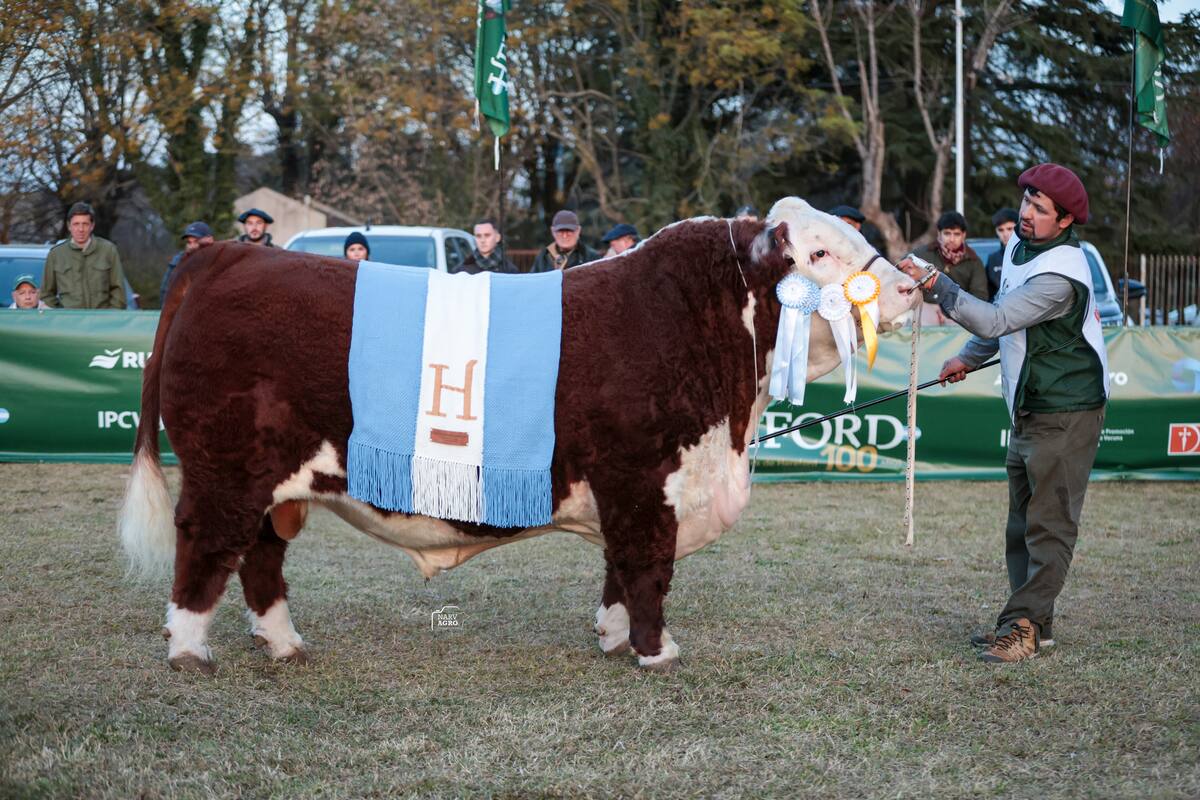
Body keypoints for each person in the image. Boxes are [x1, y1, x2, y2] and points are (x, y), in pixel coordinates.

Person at [896, 163, 1108, 664]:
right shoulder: (1019, 248)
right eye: (1027, 202)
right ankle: (1031, 624)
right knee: (1022, 527)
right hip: (1029, 406)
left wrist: (935, 283)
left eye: (1040, 209)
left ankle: (1024, 626)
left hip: (1067, 410)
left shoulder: (1062, 274)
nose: (1027, 213)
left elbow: (995, 318)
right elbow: (1001, 321)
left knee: (1049, 527)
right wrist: (966, 358)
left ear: (1065, 221)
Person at [40, 202, 128, 309]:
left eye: (85, 224)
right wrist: (61, 316)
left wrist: (110, 318)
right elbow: (46, 294)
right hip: (69, 322)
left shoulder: (108, 250)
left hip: (102, 321)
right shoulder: (56, 254)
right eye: (76, 224)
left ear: (92, 226)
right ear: (69, 226)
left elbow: (118, 291)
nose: (80, 229)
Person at [911, 211, 989, 325]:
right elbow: (903, 279)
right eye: (947, 233)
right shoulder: (921, 255)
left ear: (963, 235)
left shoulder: (974, 261)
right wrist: (928, 305)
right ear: (939, 234)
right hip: (926, 310)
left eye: (956, 234)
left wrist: (953, 312)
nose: (952, 239)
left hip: (960, 313)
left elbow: (980, 297)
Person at [161, 221, 215, 303]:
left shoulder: (218, 261)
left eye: (196, 241)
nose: (192, 246)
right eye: (189, 242)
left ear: (209, 241)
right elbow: (165, 291)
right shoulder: (177, 262)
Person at [530, 210, 597, 272]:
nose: (565, 235)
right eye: (560, 231)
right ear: (553, 231)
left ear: (578, 231)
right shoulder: (543, 257)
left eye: (569, 230)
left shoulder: (591, 257)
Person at [985, 208, 1019, 301]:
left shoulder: (1028, 254)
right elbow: (987, 294)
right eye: (1001, 230)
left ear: (1018, 227)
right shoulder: (993, 259)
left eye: (1009, 229)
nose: (1005, 234)